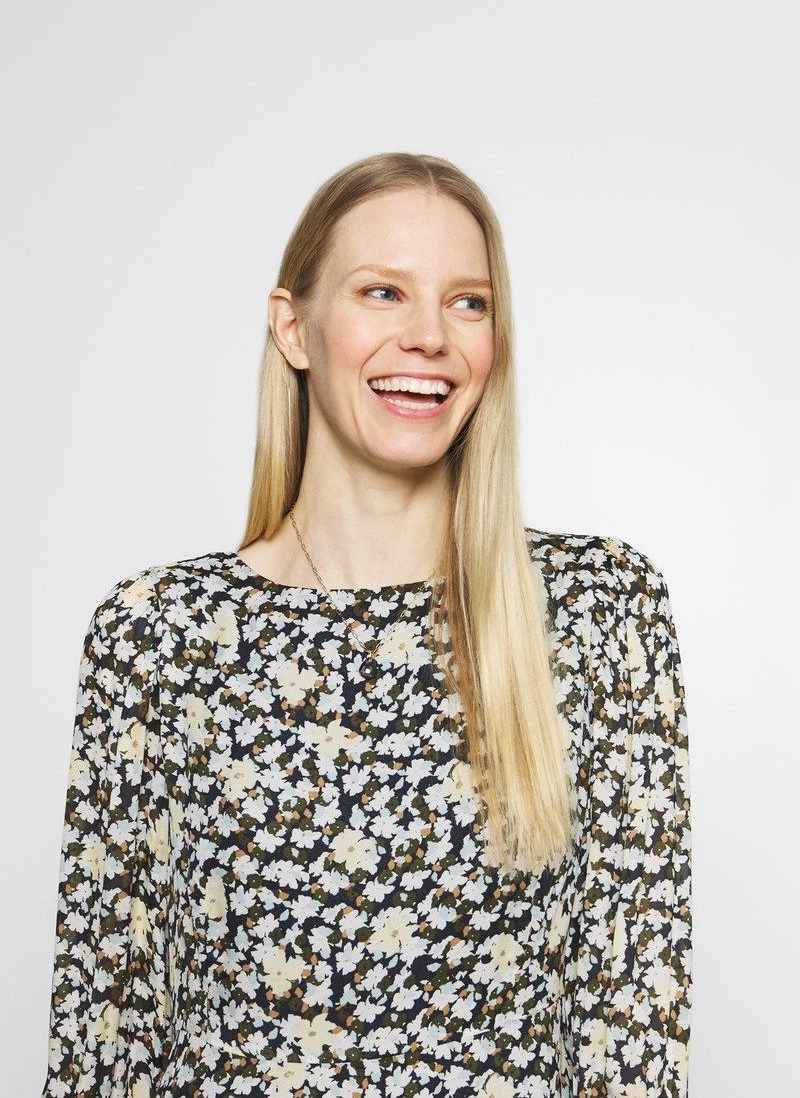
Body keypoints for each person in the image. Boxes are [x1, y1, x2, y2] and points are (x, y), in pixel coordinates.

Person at [40, 152, 692, 1098]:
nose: (428, 336)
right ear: (293, 327)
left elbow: (633, 1034)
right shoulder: (157, 637)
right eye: (383, 291)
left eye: (468, 303)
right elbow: (106, 1037)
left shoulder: (600, 613)